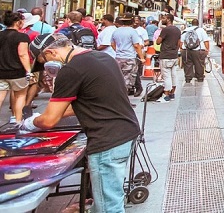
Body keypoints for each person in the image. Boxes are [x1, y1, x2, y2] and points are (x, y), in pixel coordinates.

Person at [24, 33, 140, 213]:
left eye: (43, 60)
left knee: (109, 207)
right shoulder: (103, 57)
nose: (46, 67)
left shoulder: (71, 70)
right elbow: (92, 100)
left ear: (51, 53)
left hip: (107, 141)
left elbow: (49, 120)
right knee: (107, 198)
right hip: (126, 133)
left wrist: (31, 123)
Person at [0, 11, 31, 123]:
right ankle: (18, 122)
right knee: (20, 96)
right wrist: (28, 70)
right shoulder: (22, 36)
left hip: (1, 72)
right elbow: (23, 54)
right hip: (17, 72)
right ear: (18, 22)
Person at [111, 13, 145, 97]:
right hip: (129, 57)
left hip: (119, 57)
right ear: (132, 21)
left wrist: (118, 51)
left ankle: (121, 99)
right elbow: (136, 45)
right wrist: (142, 58)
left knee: (120, 78)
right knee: (128, 80)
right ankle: (125, 100)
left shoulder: (116, 31)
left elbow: (112, 44)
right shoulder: (133, 32)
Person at [156, 14, 181, 101]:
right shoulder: (177, 30)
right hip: (174, 56)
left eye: (164, 18)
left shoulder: (165, 30)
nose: (162, 20)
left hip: (165, 56)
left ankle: (166, 95)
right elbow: (179, 43)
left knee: (166, 76)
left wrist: (159, 37)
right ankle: (172, 94)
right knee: (174, 75)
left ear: (169, 19)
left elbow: (158, 42)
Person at [180, 19, 210, 83]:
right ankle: (200, 78)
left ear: (191, 23)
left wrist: (181, 49)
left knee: (187, 64)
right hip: (198, 50)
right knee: (199, 64)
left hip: (186, 50)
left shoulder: (185, 30)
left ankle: (188, 78)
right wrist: (207, 50)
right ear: (198, 24)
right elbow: (206, 41)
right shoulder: (201, 30)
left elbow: (181, 42)